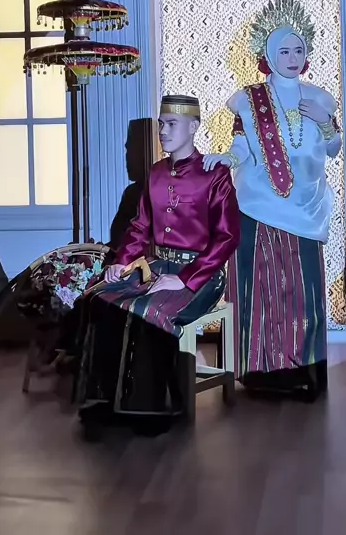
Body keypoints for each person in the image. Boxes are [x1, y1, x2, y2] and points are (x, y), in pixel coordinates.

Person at [76, 94, 240, 437]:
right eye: (162, 124)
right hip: (157, 267)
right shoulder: (156, 173)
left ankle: (154, 409)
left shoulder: (215, 174)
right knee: (99, 299)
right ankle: (105, 402)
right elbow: (140, 228)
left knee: (148, 311)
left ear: (193, 127)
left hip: (202, 275)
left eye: (172, 124)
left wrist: (185, 280)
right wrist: (121, 263)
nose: (163, 131)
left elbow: (227, 238)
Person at [204, 0, 342, 401]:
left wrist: (327, 124)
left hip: (306, 208)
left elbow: (332, 150)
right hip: (257, 204)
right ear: (267, 56)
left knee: (304, 290)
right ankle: (260, 372)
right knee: (258, 289)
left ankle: (305, 371)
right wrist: (226, 158)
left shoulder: (320, 99)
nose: (292, 58)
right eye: (284, 51)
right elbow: (241, 147)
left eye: (298, 50)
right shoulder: (250, 100)